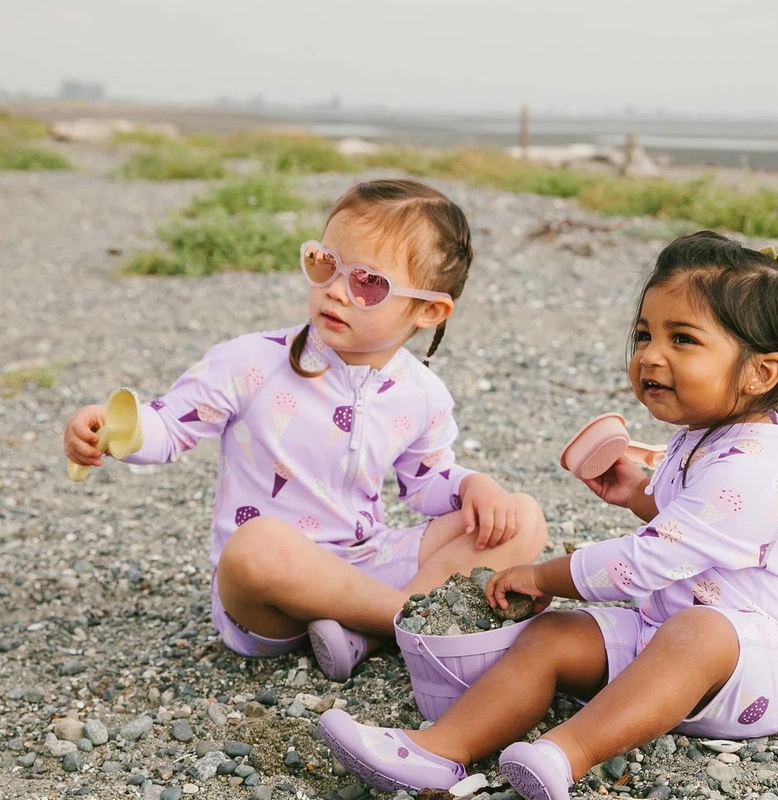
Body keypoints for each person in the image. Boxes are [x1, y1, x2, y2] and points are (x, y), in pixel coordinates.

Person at [318, 230, 778, 800]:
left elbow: (649, 561)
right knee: (556, 635)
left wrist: (545, 576)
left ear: (760, 373)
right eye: (644, 334)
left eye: (682, 339)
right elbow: (695, 531)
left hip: (762, 668)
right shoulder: (704, 438)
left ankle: (563, 754)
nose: (649, 356)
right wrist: (638, 493)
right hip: (667, 634)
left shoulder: (756, 465)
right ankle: (438, 751)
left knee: (700, 632)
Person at [64, 178, 548, 680]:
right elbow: (168, 427)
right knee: (256, 545)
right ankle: (414, 621)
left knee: (522, 517)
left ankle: (372, 631)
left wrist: (472, 485)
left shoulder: (421, 394)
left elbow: (426, 485)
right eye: (324, 264)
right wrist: (113, 428)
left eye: (367, 283)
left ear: (429, 310)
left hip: (367, 562)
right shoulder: (251, 361)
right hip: (272, 597)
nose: (335, 290)